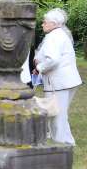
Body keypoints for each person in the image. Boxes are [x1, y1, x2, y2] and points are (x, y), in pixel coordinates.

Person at [34, 8, 82, 145]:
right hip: (67, 81)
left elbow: (53, 60)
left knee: (56, 115)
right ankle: (64, 141)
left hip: (59, 82)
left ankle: (63, 143)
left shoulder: (53, 37)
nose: (42, 24)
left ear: (54, 23)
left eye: (45, 22)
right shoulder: (60, 34)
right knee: (60, 114)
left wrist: (39, 67)